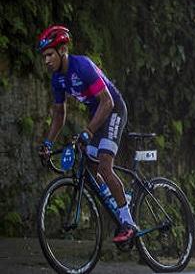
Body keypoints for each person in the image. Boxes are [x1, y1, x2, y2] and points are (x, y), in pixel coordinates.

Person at [37, 25, 136, 243]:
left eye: (50, 55)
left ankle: (128, 222)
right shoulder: (57, 80)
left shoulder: (82, 65)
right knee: (90, 167)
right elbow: (59, 115)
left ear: (63, 50)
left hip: (113, 108)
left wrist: (88, 131)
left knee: (104, 165)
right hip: (97, 114)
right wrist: (48, 143)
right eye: (44, 56)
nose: (46, 61)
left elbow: (108, 101)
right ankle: (120, 198)